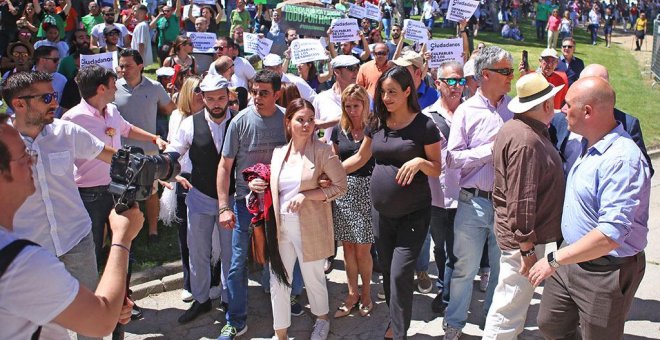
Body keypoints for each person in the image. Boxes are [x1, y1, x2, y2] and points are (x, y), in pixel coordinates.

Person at [529, 76, 650, 340]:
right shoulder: (584, 144)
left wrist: (554, 259)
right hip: (570, 259)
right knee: (550, 324)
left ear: (587, 111)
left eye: (568, 104)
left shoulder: (621, 160)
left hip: (605, 271)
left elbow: (609, 235)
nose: (561, 109)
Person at [0, 117, 143, 340]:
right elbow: (101, 320)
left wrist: (108, 302)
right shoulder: (20, 262)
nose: (33, 160)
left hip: (74, 237)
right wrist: (122, 237)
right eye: (23, 155)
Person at [1, 71, 118, 340]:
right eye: (46, 97)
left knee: (92, 323)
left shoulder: (66, 131)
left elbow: (109, 155)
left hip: (75, 239)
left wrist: (147, 169)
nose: (55, 102)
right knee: (43, 328)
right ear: (19, 103)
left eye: (53, 95)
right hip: (32, 252)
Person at [343, 66, 441, 339]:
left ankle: (398, 332)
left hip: (413, 215)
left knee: (399, 275)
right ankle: (396, 321)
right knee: (387, 272)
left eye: (392, 92)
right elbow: (361, 158)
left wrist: (421, 161)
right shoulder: (376, 122)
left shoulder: (425, 126)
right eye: (383, 92)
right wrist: (332, 171)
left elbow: (436, 168)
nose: (386, 97)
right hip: (381, 214)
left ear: (408, 91)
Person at [482, 73, 565, 338]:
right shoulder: (527, 140)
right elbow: (522, 199)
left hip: (520, 238)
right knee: (508, 311)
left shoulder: (516, 128)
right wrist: (528, 249)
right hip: (523, 242)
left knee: (511, 308)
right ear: (547, 105)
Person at [61, 65, 167, 264]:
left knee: (124, 236)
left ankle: (123, 278)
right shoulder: (71, 120)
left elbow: (127, 129)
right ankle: (94, 281)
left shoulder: (112, 110)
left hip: (119, 186)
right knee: (91, 242)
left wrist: (154, 138)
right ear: (101, 89)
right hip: (88, 191)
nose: (116, 89)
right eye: (112, 85)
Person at [443, 46, 515, 340]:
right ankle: (454, 324)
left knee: (502, 273)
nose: (511, 77)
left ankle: (492, 324)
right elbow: (452, 158)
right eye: (506, 72)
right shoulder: (466, 110)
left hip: (506, 204)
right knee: (465, 270)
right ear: (486, 75)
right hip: (472, 202)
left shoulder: (516, 109)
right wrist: (491, 150)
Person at [263, 98, 347, 340]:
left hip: (309, 225)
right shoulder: (279, 153)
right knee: (278, 279)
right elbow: (277, 191)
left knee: (314, 278)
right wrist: (259, 185)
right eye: (300, 119)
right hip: (280, 226)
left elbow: (340, 187)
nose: (307, 124)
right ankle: (280, 332)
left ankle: (322, 319)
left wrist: (307, 194)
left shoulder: (322, 151)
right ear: (288, 122)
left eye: (311, 120)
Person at [216, 69, 287, 339]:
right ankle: (235, 319)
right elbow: (225, 166)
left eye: (264, 93)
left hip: (279, 202)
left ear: (277, 94)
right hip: (244, 204)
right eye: (254, 91)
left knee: (284, 256)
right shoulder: (240, 122)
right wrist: (224, 206)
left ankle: (288, 303)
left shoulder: (285, 120)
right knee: (236, 263)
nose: (257, 97)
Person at [164, 74, 235, 324]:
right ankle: (201, 299)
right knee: (198, 251)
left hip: (232, 198)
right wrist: (165, 164)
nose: (216, 103)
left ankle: (230, 300)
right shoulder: (190, 124)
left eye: (221, 98)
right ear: (202, 98)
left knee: (230, 252)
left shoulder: (239, 121)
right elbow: (176, 149)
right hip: (200, 196)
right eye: (211, 98)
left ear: (228, 97)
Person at [114, 49, 177, 241]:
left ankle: (152, 231)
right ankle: (126, 233)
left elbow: (169, 110)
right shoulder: (113, 88)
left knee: (151, 193)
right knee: (123, 194)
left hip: (149, 151)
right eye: (121, 66)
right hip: (120, 152)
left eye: (128, 66)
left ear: (141, 66)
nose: (124, 70)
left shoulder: (155, 87)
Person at [421, 60, 465, 315]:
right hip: (437, 196)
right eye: (451, 81)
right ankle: (444, 286)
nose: (456, 86)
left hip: (466, 194)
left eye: (460, 80)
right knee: (441, 247)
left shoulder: (472, 112)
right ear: (438, 84)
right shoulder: (427, 117)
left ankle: (448, 295)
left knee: (457, 250)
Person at [330, 84, 376, 319]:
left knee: (363, 249)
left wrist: (330, 173)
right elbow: (334, 156)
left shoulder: (374, 126)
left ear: (365, 104)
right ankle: (352, 293)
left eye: (356, 106)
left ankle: (366, 293)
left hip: (367, 189)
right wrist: (333, 174)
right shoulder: (339, 129)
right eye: (347, 106)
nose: (352, 111)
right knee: (347, 247)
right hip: (344, 192)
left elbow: (361, 159)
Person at [313, 55, 361, 144]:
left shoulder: (365, 97)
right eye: (351, 68)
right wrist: (321, 137)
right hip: (329, 154)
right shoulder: (320, 99)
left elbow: (365, 118)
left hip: (358, 153)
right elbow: (318, 127)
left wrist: (327, 123)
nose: (356, 72)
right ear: (337, 72)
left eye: (357, 67)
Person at [32, 46, 67, 118]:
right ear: (43, 60)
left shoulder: (62, 80)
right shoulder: (25, 79)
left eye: (58, 60)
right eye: (55, 60)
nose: (58, 63)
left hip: (54, 124)